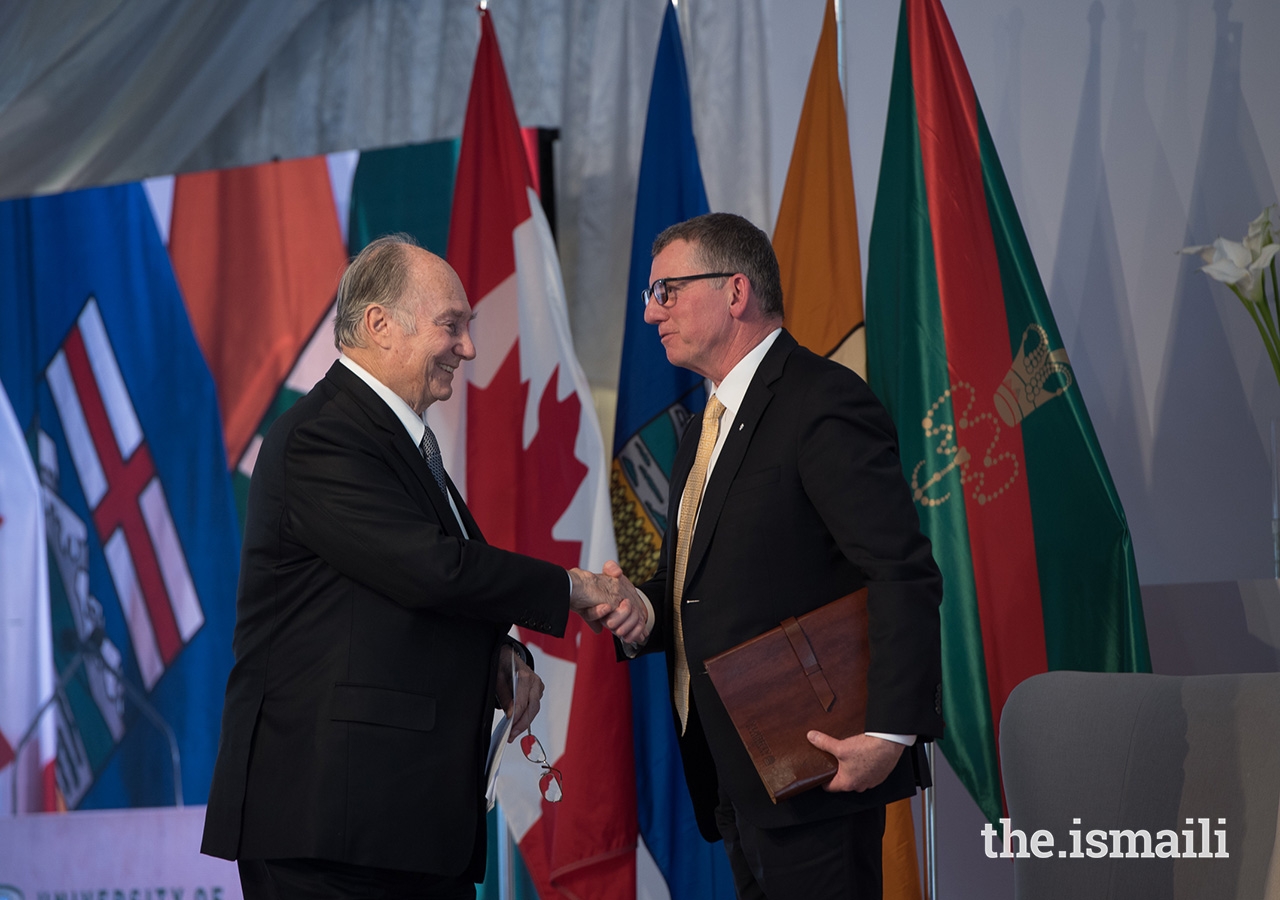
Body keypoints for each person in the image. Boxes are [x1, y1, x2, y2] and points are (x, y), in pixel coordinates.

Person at [201, 234, 635, 899]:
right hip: (333, 824)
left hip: (393, 823)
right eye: (452, 325)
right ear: (379, 324)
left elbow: (398, 600)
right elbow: (430, 569)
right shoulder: (322, 436)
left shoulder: (395, 440)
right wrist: (569, 586)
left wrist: (500, 657)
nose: (468, 348)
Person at [604, 212, 943, 899]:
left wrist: (889, 730)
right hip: (739, 769)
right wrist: (639, 604)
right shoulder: (702, 423)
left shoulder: (822, 401)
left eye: (666, 291)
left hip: (821, 759)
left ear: (735, 292)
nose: (649, 313)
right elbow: (699, 579)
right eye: (650, 295)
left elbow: (901, 570)